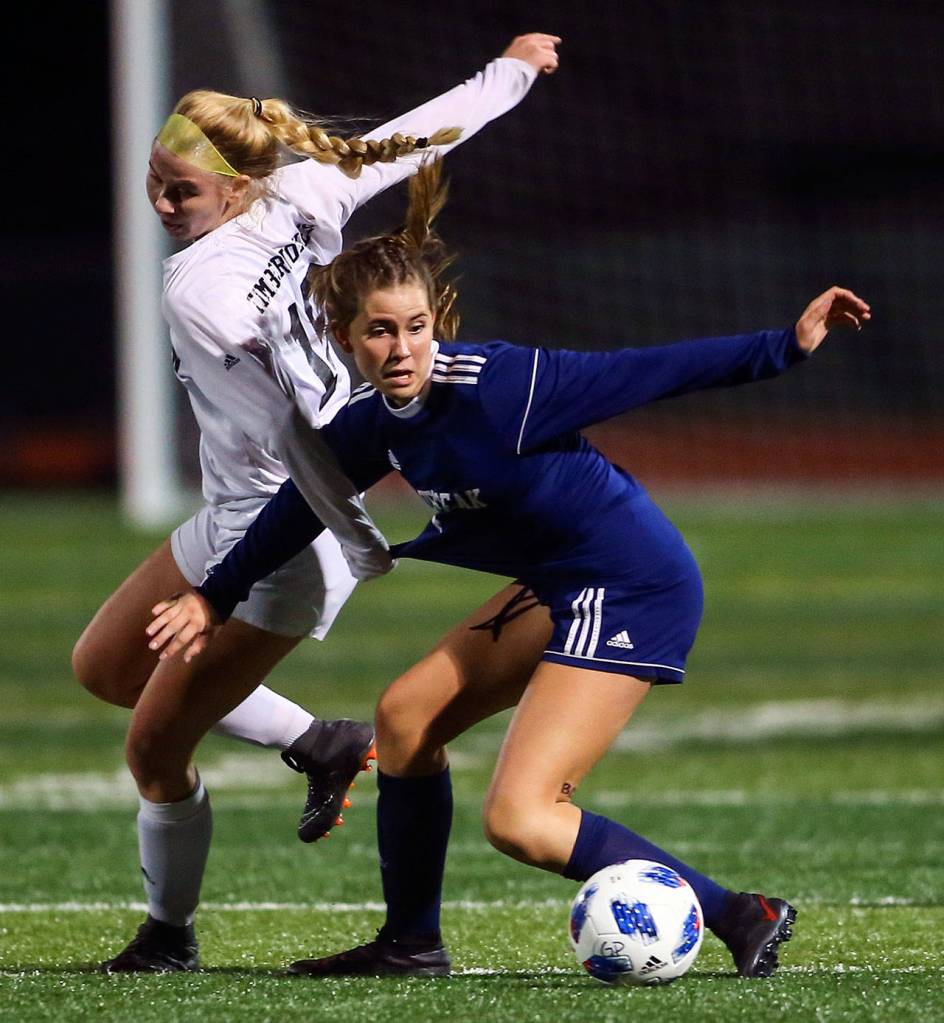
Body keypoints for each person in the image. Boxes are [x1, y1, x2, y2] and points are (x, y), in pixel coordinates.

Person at [147, 161, 870, 979]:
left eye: (417, 326)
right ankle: (412, 944)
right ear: (345, 337)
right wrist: (212, 595)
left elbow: (649, 369)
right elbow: (295, 508)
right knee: (406, 717)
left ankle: (740, 911)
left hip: (629, 581)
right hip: (560, 580)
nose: (402, 347)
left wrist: (786, 345)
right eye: (381, 331)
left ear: (435, 323)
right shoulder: (365, 424)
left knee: (522, 817)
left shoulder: (505, 388)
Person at [72, 34, 562, 973]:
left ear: (238, 187)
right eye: (155, 180)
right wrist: (510, 71)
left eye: (185, 190)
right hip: (237, 508)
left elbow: (298, 432)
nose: (164, 203)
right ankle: (320, 741)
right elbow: (416, 137)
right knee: (104, 666)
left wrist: (355, 537)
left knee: (153, 752)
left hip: (285, 536)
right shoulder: (301, 192)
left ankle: (167, 937)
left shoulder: (203, 289)